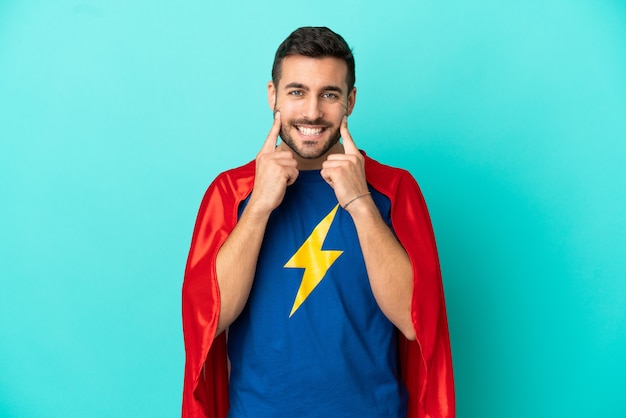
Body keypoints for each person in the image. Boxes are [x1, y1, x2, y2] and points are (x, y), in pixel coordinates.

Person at [182, 26, 454, 418]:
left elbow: (416, 322)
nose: (312, 112)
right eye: (296, 92)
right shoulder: (231, 192)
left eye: (329, 94)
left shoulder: (394, 189)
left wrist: (360, 202)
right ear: (272, 96)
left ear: (350, 101)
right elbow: (211, 320)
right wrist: (259, 205)